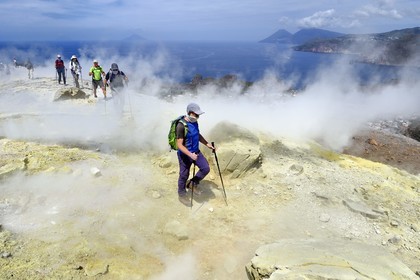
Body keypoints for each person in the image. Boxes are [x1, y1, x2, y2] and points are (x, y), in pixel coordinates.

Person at [176, 103, 214, 206]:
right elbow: (179, 144)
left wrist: (207, 144)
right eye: (197, 114)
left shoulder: (195, 122)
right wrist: (190, 154)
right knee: (184, 175)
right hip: (185, 155)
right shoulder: (181, 125)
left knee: (205, 168)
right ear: (191, 113)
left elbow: (198, 134)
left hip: (196, 152)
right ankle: (182, 194)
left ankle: (192, 184)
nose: (198, 116)